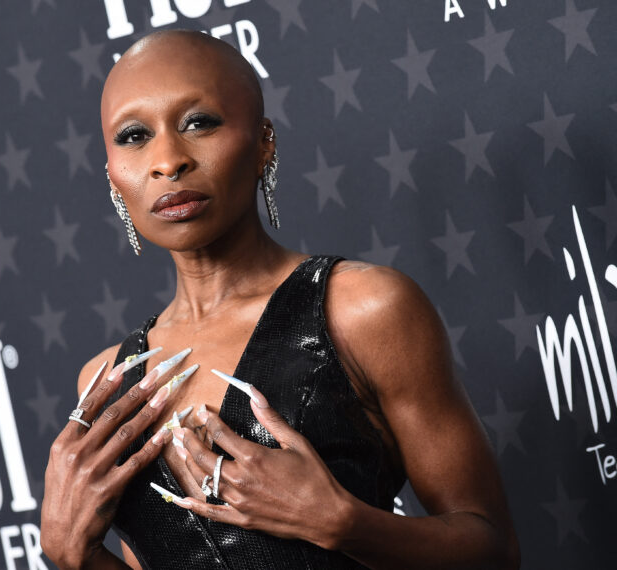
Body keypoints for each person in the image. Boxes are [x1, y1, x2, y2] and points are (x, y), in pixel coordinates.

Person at [40, 30, 520, 570]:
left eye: (199, 123)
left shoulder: (360, 309)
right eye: (133, 136)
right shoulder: (107, 382)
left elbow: (494, 552)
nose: (168, 160)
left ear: (264, 140)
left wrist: (341, 522)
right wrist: (74, 557)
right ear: (111, 174)